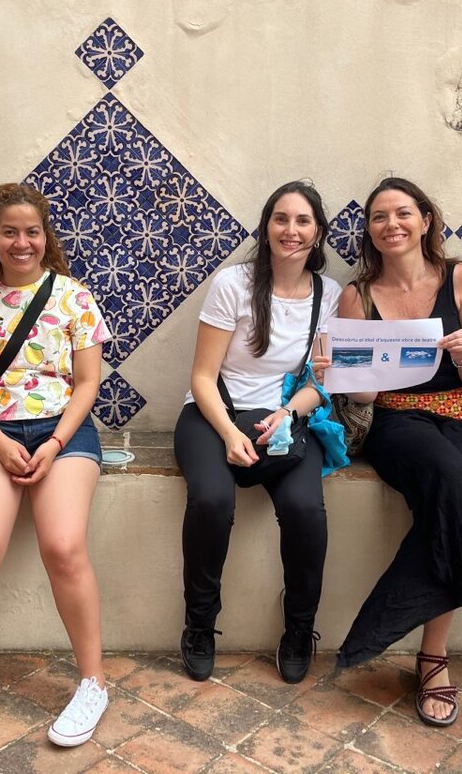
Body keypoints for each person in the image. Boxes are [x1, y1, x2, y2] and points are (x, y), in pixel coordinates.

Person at [336, 177, 462, 727]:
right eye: (379, 217)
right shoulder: (356, 295)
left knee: (446, 508)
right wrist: (351, 371)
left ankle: (432, 658)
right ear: (369, 231)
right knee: (451, 477)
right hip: (398, 421)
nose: (392, 225)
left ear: (426, 220)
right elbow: (359, 393)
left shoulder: (461, 276)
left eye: (403, 213)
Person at [0, 183, 110, 757]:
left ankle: (93, 683)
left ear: (45, 237)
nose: (22, 242)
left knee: (63, 546)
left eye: (32, 231)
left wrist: (56, 442)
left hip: (64, 429)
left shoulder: (74, 298)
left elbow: (88, 383)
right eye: (9, 232)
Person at [175, 181, 342, 685]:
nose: (291, 230)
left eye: (303, 221)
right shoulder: (233, 284)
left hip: (285, 420)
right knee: (211, 501)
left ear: (318, 232)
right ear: (266, 227)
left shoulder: (329, 295)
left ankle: (299, 629)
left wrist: (288, 414)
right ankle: (200, 623)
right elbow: (202, 376)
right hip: (214, 415)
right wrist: (230, 434)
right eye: (281, 219)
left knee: (305, 510)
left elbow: (321, 381)